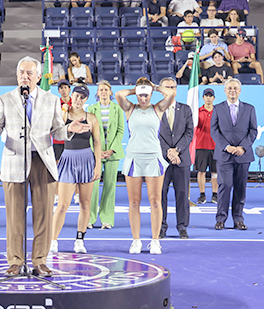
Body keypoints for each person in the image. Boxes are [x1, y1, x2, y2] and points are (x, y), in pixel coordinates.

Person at [0, 56, 88, 277]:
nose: (24, 76)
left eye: (29, 73)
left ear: (38, 77)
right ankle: (15, 261)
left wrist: (70, 129)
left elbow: (57, 130)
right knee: (14, 216)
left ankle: (40, 261)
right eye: (21, 72)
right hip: (14, 161)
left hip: (43, 161)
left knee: (43, 215)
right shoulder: (5, 99)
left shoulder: (51, 100)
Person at [115, 78, 174, 255]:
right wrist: (136, 89)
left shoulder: (158, 109)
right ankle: (136, 241)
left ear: (150, 95)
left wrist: (153, 88)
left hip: (153, 157)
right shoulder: (130, 109)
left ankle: (155, 241)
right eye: (140, 95)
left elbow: (171, 93)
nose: (143, 98)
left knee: (155, 201)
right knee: (134, 202)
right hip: (134, 158)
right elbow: (119, 94)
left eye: (146, 95)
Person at [51, 84, 102, 254]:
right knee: (62, 205)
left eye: (82, 97)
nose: (78, 100)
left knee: (85, 204)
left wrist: (97, 165)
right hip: (68, 159)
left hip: (86, 159)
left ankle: (80, 240)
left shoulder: (92, 118)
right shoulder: (63, 114)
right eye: (76, 96)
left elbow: (97, 142)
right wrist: (64, 111)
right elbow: (55, 130)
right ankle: (53, 240)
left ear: (86, 99)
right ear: (71, 96)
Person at [211, 78, 258, 230]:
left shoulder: (249, 109)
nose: (232, 91)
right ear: (225, 91)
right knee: (224, 185)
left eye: (235, 88)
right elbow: (214, 130)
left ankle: (238, 219)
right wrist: (226, 147)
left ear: (240, 91)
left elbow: (253, 131)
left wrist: (243, 147)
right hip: (224, 155)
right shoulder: (217, 108)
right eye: (230, 88)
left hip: (243, 155)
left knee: (240, 188)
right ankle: (221, 219)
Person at [158, 77, 194, 239]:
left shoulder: (185, 109)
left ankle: (182, 227)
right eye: (166, 87)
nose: (170, 90)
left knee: (182, 194)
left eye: (173, 87)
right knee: (160, 195)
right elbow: (154, 134)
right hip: (161, 161)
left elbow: (189, 132)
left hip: (182, 160)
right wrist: (168, 152)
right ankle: (160, 227)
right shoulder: (155, 110)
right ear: (160, 90)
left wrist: (177, 151)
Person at [87, 80, 125, 229]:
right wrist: (97, 151)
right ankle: (89, 219)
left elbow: (120, 131)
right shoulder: (91, 109)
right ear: (97, 93)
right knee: (93, 187)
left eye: (106, 89)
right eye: (101, 90)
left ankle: (107, 219)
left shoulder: (118, 109)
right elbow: (89, 132)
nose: (103, 92)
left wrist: (112, 149)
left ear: (110, 92)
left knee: (110, 186)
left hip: (113, 154)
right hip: (95, 154)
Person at [194, 89, 218, 204]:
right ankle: (202, 194)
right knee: (201, 172)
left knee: (215, 173)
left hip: (215, 146)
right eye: (206, 96)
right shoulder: (197, 112)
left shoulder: (218, 112)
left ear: (214, 98)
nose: (208, 98)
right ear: (203, 98)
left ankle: (215, 195)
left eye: (210, 96)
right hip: (201, 145)